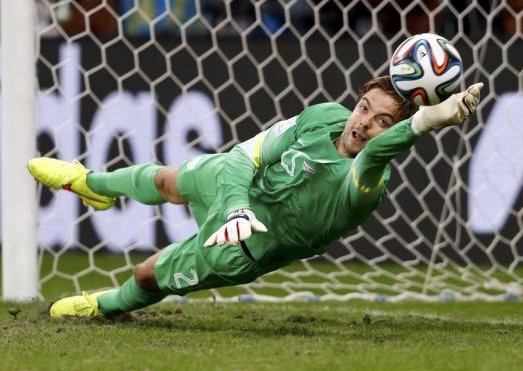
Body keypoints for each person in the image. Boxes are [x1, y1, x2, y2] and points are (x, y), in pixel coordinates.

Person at [27, 76, 483, 318]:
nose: (363, 123)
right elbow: (248, 154)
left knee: (148, 276)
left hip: (243, 247)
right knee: (167, 181)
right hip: (236, 189)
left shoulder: (364, 185)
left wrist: (425, 122)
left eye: (382, 121)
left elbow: (379, 154)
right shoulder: (325, 115)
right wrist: (236, 205)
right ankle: (90, 184)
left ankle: (102, 306)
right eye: (365, 108)